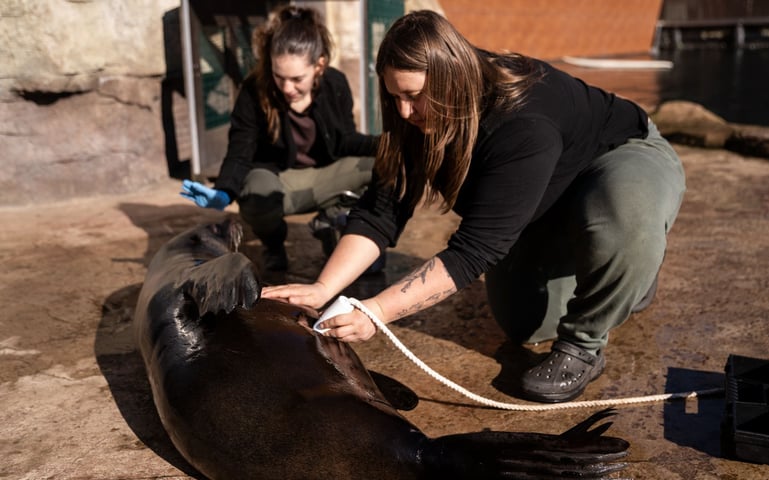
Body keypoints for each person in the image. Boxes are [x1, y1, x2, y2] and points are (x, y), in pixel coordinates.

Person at [263, 10, 685, 404]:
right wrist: (323, 288)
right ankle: (618, 277)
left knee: (625, 218)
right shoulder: (415, 114)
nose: (405, 111)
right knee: (524, 325)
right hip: (541, 198)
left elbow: (475, 250)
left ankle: (591, 335)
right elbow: (382, 211)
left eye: (414, 96)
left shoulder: (521, 122)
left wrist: (376, 312)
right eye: (394, 97)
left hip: (616, 158)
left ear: (451, 80)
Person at [180, 5, 379, 274]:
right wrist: (225, 191)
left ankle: (334, 222)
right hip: (279, 182)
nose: (287, 88)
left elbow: (346, 141)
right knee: (254, 191)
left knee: (380, 165)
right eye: (279, 76)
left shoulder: (336, 83)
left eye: (297, 79)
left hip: (324, 175)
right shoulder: (254, 91)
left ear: (319, 65)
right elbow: (241, 150)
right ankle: (273, 245)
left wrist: (388, 145)